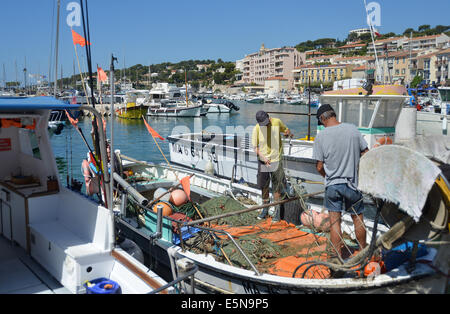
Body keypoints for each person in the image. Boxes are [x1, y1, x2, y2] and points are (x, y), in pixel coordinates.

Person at [312, 104, 369, 260]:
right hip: (353, 184)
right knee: (358, 219)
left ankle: (336, 256)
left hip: (333, 186)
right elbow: (366, 153)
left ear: (323, 118)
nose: (322, 125)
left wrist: (327, 177)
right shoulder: (353, 130)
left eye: (321, 122)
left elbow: (319, 166)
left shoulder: (321, 137)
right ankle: (363, 252)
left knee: (335, 222)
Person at [252, 110, 293, 221]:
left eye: (266, 122)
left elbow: (286, 130)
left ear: (269, 117)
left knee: (277, 186)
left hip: (276, 160)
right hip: (263, 160)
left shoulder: (277, 122)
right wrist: (264, 158)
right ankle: (265, 209)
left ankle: (277, 211)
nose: (265, 125)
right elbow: (255, 147)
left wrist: (287, 132)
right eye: (263, 124)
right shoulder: (256, 128)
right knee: (264, 186)